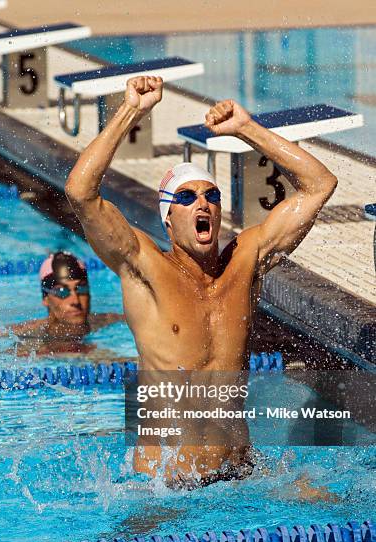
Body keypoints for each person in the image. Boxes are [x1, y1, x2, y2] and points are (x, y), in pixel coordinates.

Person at [65, 76, 338, 494]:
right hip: (167, 486)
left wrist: (246, 128)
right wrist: (131, 111)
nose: (202, 204)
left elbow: (320, 185)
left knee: (324, 502)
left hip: (239, 477)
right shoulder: (143, 267)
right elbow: (81, 192)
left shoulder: (245, 262)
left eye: (210, 195)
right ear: (168, 220)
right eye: (186, 198)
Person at [0, 251, 125, 359]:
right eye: (62, 292)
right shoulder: (31, 334)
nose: (75, 301)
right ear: (46, 298)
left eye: (81, 288)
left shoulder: (103, 320)